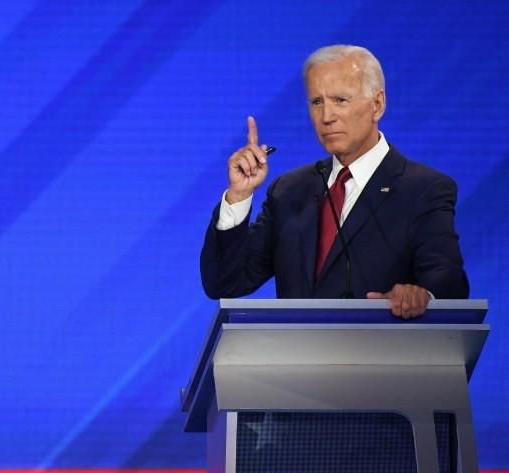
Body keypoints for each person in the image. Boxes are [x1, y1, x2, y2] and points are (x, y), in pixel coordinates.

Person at [200, 44, 468, 318]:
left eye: (340, 100)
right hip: (299, 357)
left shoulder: (423, 189)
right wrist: (239, 196)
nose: (326, 117)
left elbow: (448, 279)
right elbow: (225, 282)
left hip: (381, 353)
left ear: (377, 105)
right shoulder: (289, 191)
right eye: (317, 102)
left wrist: (421, 295)